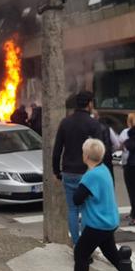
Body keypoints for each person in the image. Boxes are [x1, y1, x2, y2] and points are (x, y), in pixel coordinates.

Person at [57, 139, 135, 271]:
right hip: (109, 221)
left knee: (81, 253)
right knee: (112, 253)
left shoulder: (90, 176)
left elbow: (77, 199)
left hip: (97, 224)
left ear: (85, 156)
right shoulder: (104, 169)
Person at [52, 91, 110, 246]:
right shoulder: (93, 124)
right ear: (89, 103)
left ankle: (77, 245)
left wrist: (56, 171)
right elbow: (99, 150)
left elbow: (57, 149)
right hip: (88, 173)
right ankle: (86, 246)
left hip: (68, 171)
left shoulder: (65, 122)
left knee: (72, 209)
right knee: (86, 210)